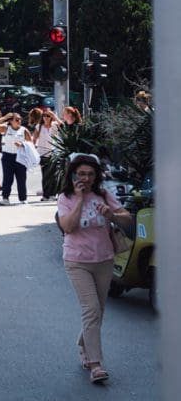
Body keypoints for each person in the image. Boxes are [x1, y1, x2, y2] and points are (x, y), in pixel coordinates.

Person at [56, 154, 132, 384]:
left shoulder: (104, 194)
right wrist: (80, 199)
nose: (86, 178)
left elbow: (127, 220)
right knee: (91, 310)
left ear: (96, 176)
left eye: (90, 174)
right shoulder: (65, 197)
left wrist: (112, 214)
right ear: (73, 175)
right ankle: (95, 364)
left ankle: (84, 345)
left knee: (98, 311)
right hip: (77, 261)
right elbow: (68, 227)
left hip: (104, 259)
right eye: (81, 174)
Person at [0, 111, 32, 205]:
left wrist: (22, 145)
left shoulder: (24, 130)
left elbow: (31, 144)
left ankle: (23, 198)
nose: (19, 121)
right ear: (11, 121)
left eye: (20, 119)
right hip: (8, 156)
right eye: (17, 120)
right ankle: (5, 198)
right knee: (7, 178)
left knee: (21, 178)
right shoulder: (6, 128)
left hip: (20, 157)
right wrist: (4, 118)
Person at [34, 108, 60, 200]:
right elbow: (34, 138)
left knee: (53, 175)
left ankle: (52, 194)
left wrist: (54, 116)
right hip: (42, 153)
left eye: (48, 116)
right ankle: (45, 195)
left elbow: (63, 125)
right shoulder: (39, 126)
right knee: (45, 175)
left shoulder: (55, 125)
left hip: (53, 153)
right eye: (44, 115)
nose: (45, 117)